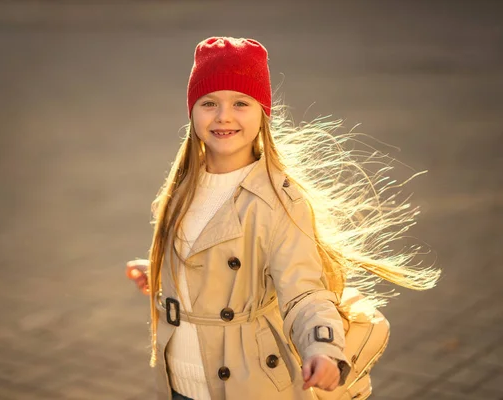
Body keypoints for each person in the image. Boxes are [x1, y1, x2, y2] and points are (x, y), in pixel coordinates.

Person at [126, 37, 440, 400]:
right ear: (192, 111)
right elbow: (204, 258)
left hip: (244, 384)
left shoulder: (279, 202)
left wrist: (322, 348)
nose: (223, 115)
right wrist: (165, 270)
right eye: (209, 102)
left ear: (263, 113)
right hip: (176, 381)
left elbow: (304, 293)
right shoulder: (181, 187)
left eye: (240, 103)